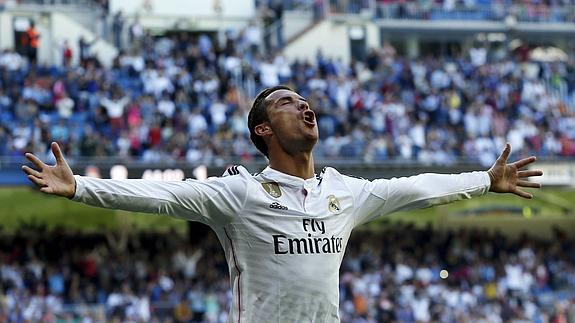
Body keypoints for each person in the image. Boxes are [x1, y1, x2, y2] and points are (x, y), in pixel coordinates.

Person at [22, 85, 543, 322]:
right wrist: (82, 187)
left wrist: (483, 180)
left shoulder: (345, 192)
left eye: (304, 99)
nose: (305, 105)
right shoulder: (240, 192)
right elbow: (163, 196)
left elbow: (414, 188)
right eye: (288, 102)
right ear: (264, 130)